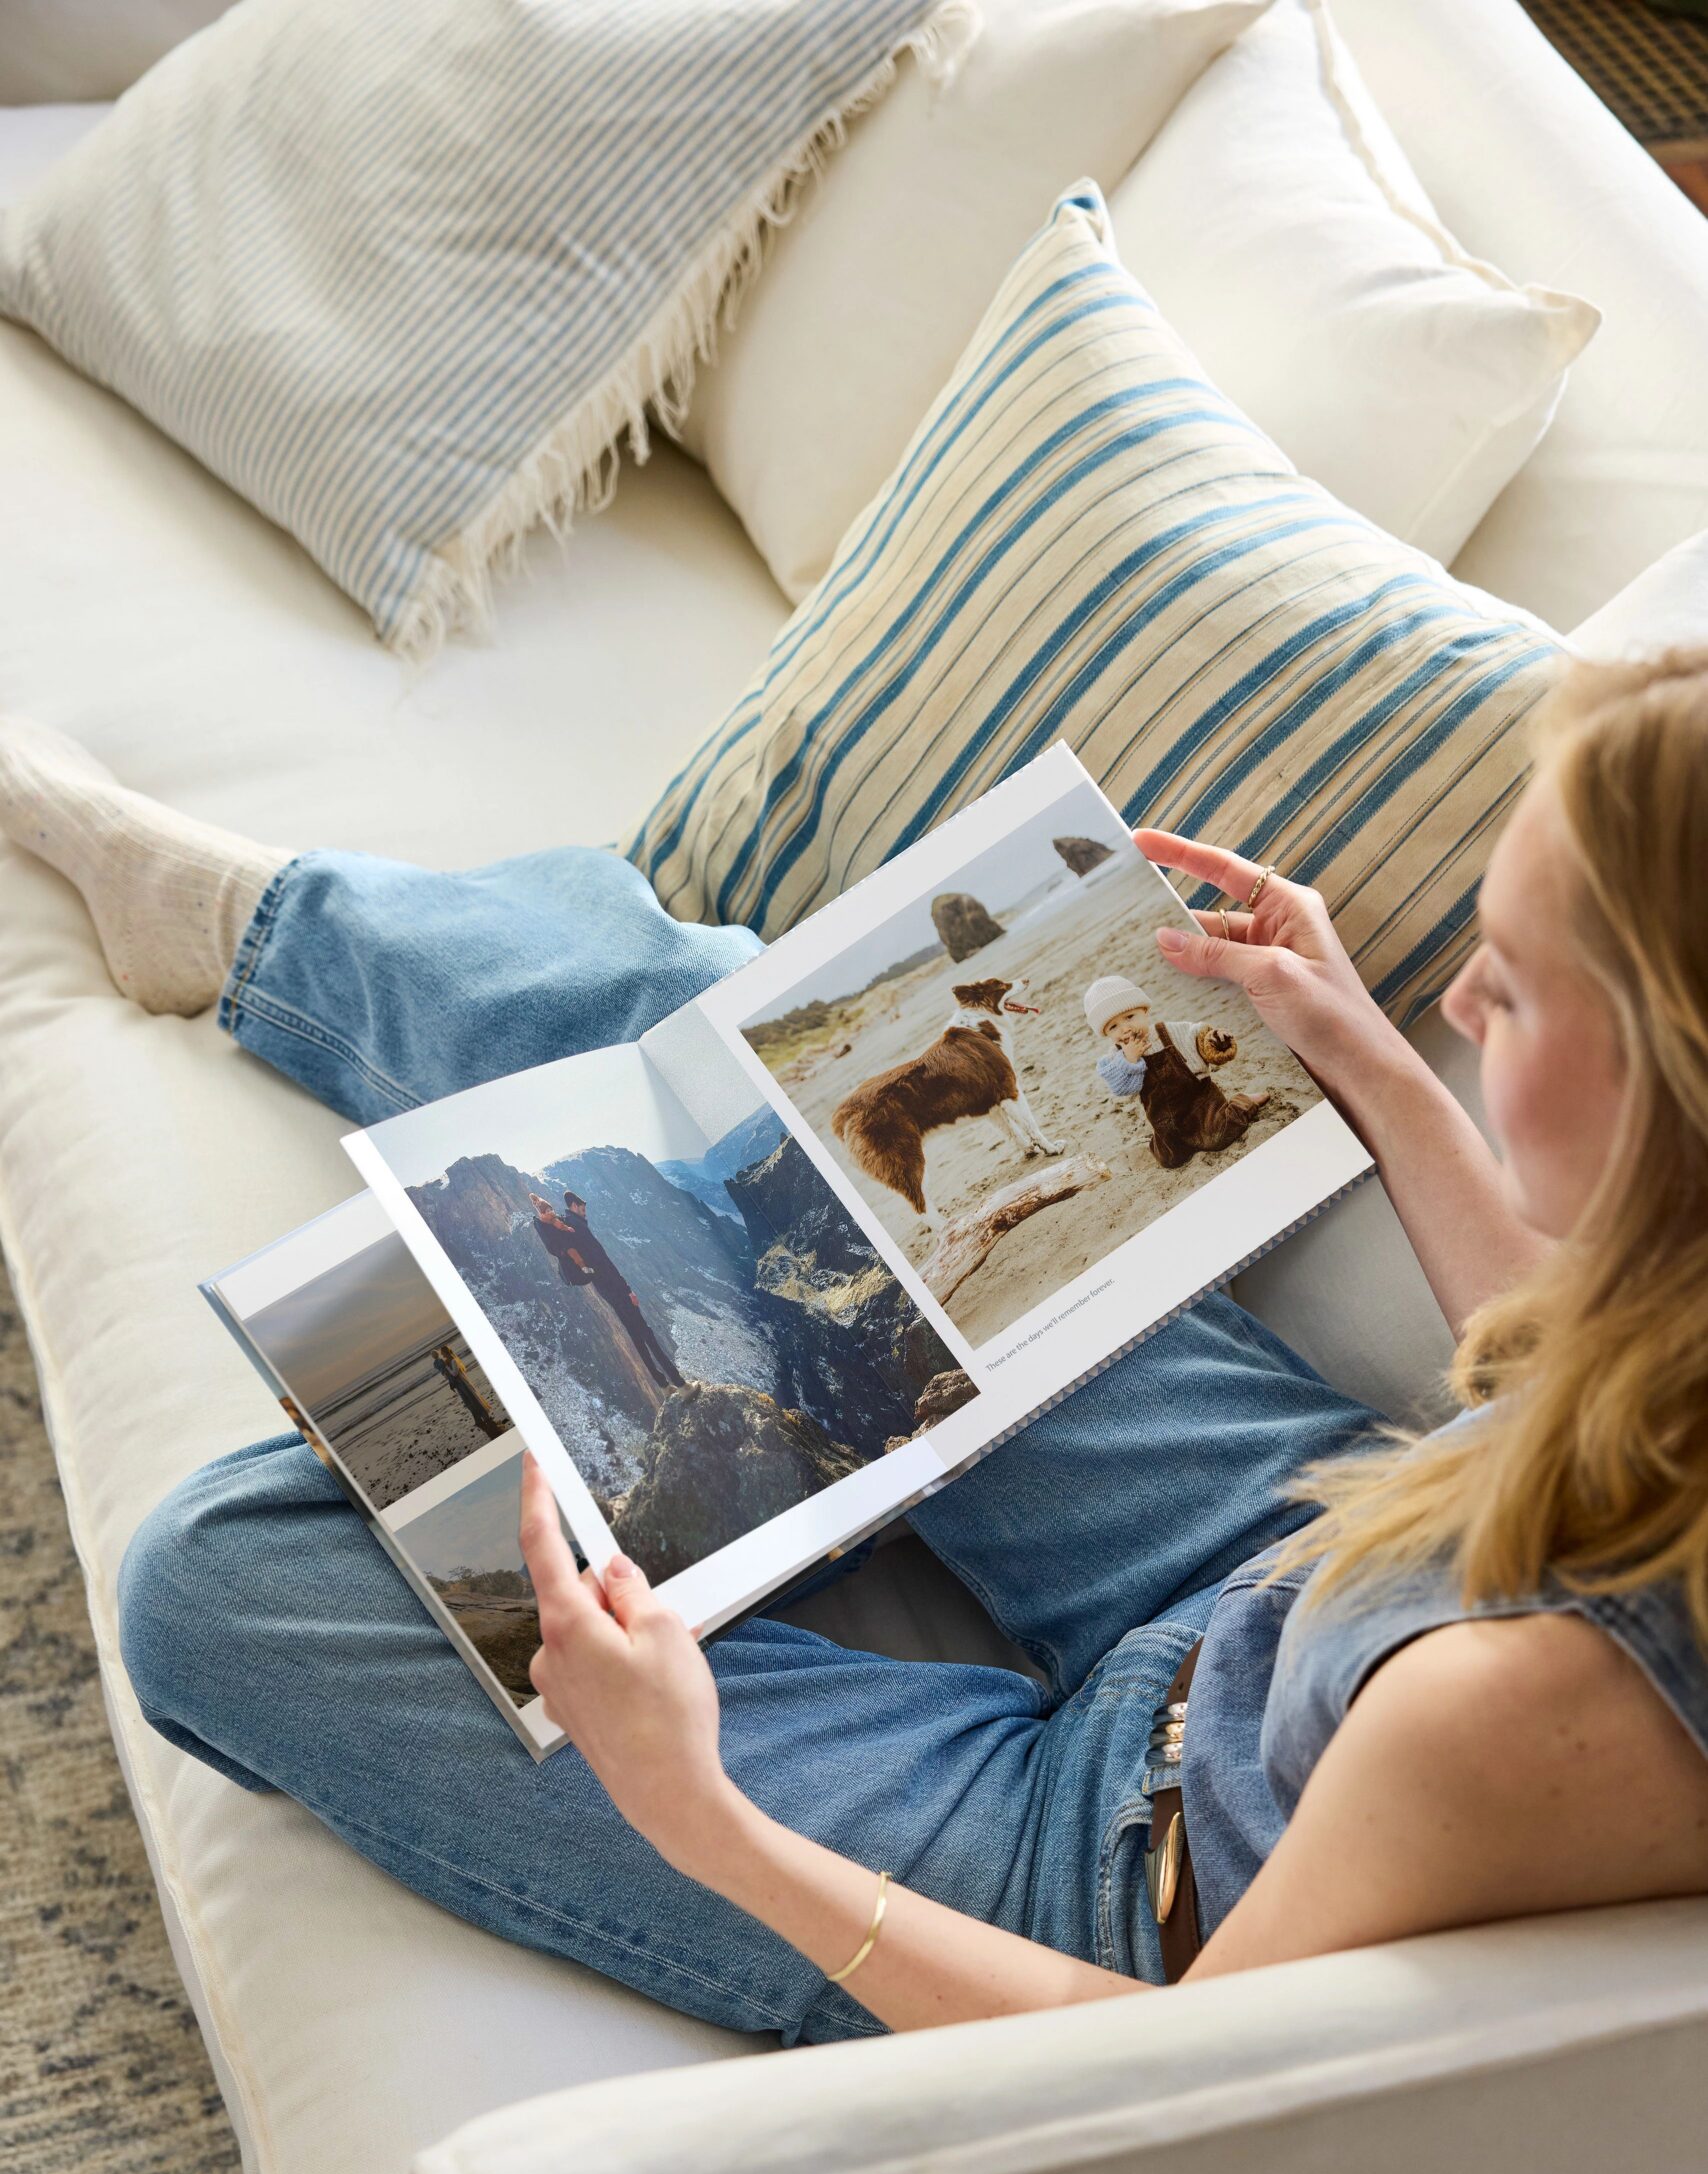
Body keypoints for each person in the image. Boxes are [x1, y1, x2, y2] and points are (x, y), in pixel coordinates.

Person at [4, 650, 1706, 2045]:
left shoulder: (1532, 1714)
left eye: (1510, 987)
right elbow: (1556, 1391)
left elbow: (1164, 2098)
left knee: (227, 1578)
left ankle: (804, 1472)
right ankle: (260, 923)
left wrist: (702, 1820)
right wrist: (1368, 1064)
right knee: (772, 1078)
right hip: (1311, 1548)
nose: (1459, 1014)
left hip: (1103, 1869)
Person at [1083, 971, 1270, 1167]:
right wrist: (1130, 1059)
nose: (1124, 1028)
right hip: (1164, 1121)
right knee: (1169, 1160)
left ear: (1145, 1011)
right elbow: (1122, 1088)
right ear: (1106, 1034)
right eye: (1113, 1027)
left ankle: (1244, 1102)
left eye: (1129, 1016)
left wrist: (1214, 1040)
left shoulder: (1168, 1032)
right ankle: (1167, 1144)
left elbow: (1197, 1037)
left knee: (1220, 1135)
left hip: (1200, 1105)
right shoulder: (1117, 1058)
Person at [525, 1187, 687, 1390]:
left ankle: (663, 1385)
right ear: (574, 1206)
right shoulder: (577, 1227)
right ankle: (680, 1384)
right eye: (583, 1208)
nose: (585, 1211)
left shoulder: (563, 1224)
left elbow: (555, 1239)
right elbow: (605, 1262)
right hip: (615, 1286)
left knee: (636, 1336)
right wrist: (628, 1289)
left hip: (603, 1289)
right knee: (645, 1332)